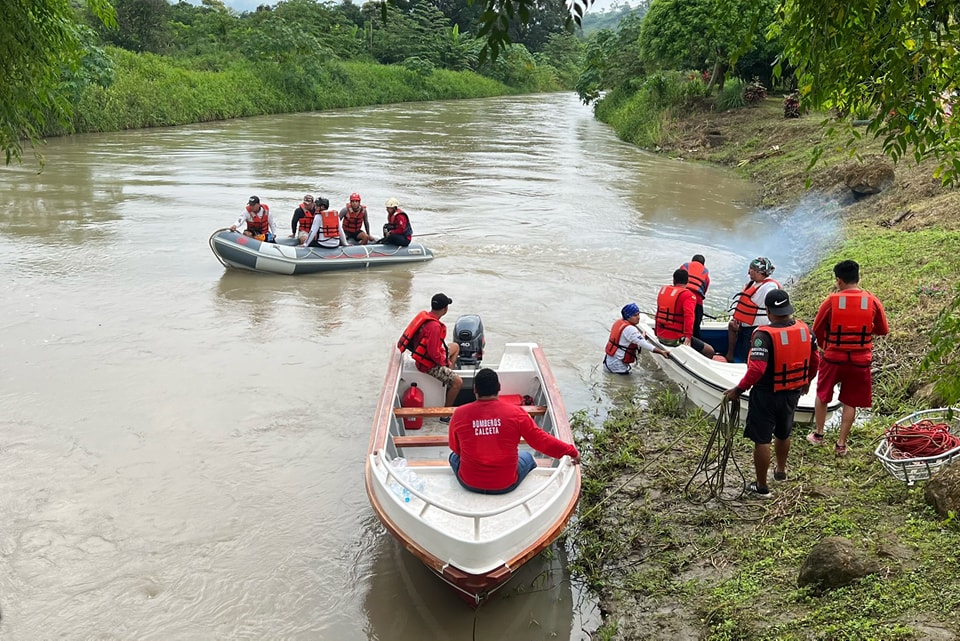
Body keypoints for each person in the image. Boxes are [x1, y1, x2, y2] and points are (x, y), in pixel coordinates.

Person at [723, 289, 819, 498]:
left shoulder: (763, 335)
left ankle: (761, 486)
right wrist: (807, 382)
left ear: (767, 310)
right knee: (784, 431)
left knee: (762, 439)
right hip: (793, 391)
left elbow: (757, 369)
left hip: (766, 393)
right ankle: (781, 470)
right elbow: (815, 360)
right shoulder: (806, 331)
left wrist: (738, 390)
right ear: (788, 308)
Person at [448, 368, 580, 494]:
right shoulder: (516, 413)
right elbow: (540, 441)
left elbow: (455, 448)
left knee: (453, 457)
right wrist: (571, 451)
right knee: (527, 457)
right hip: (505, 484)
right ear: (499, 387)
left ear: (475, 389)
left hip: (469, 482)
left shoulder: (459, 414)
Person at [806, 260, 889, 455]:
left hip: (833, 358)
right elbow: (883, 329)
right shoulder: (872, 301)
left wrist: (827, 346)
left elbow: (817, 329)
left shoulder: (831, 301)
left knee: (823, 393)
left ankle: (818, 435)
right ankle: (841, 444)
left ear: (838, 281)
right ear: (859, 278)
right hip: (860, 361)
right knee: (850, 401)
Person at [397, 293, 463, 409]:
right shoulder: (434, 327)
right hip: (428, 365)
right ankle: (445, 412)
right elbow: (434, 354)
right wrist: (446, 362)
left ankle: (448, 377)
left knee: (455, 347)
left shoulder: (425, 318)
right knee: (458, 382)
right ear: (445, 309)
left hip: (425, 356)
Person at [725, 257, 781, 363]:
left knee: (747, 355)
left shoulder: (770, 286)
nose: (748, 271)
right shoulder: (753, 283)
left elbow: (772, 299)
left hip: (756, 327)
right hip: (744, 325)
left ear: (757, 271)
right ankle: (730, 356)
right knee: (731, 326)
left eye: (750, 269)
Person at [655, 269, 716, 358]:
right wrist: (688, 336)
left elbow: (658, 313)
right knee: (710, 350)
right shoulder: (688, 296)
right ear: (687, 281)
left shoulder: (663, 291)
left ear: (674, 280)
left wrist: (656, 332)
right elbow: (689, 316)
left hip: (660, 336)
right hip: (675, 339)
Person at [604, 303, 670, 374]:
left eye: (638, 314)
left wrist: (641, 337)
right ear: (628, 316)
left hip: (608, 362)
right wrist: (661, 352)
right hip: (618, 366)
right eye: (635, 315)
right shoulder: (630, 329)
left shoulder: (619, 323)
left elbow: (629, 339)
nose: (638, 317)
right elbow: (644, 344)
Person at [679, 254, 710, 339]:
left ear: (692, 261)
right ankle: (695, 347)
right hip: (697, 302)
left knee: (679, 323)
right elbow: (704, 290)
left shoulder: (685, 266)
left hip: (682, 298)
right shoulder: (705, 273)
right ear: (703, 264)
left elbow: (677, 281)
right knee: (695, 328)